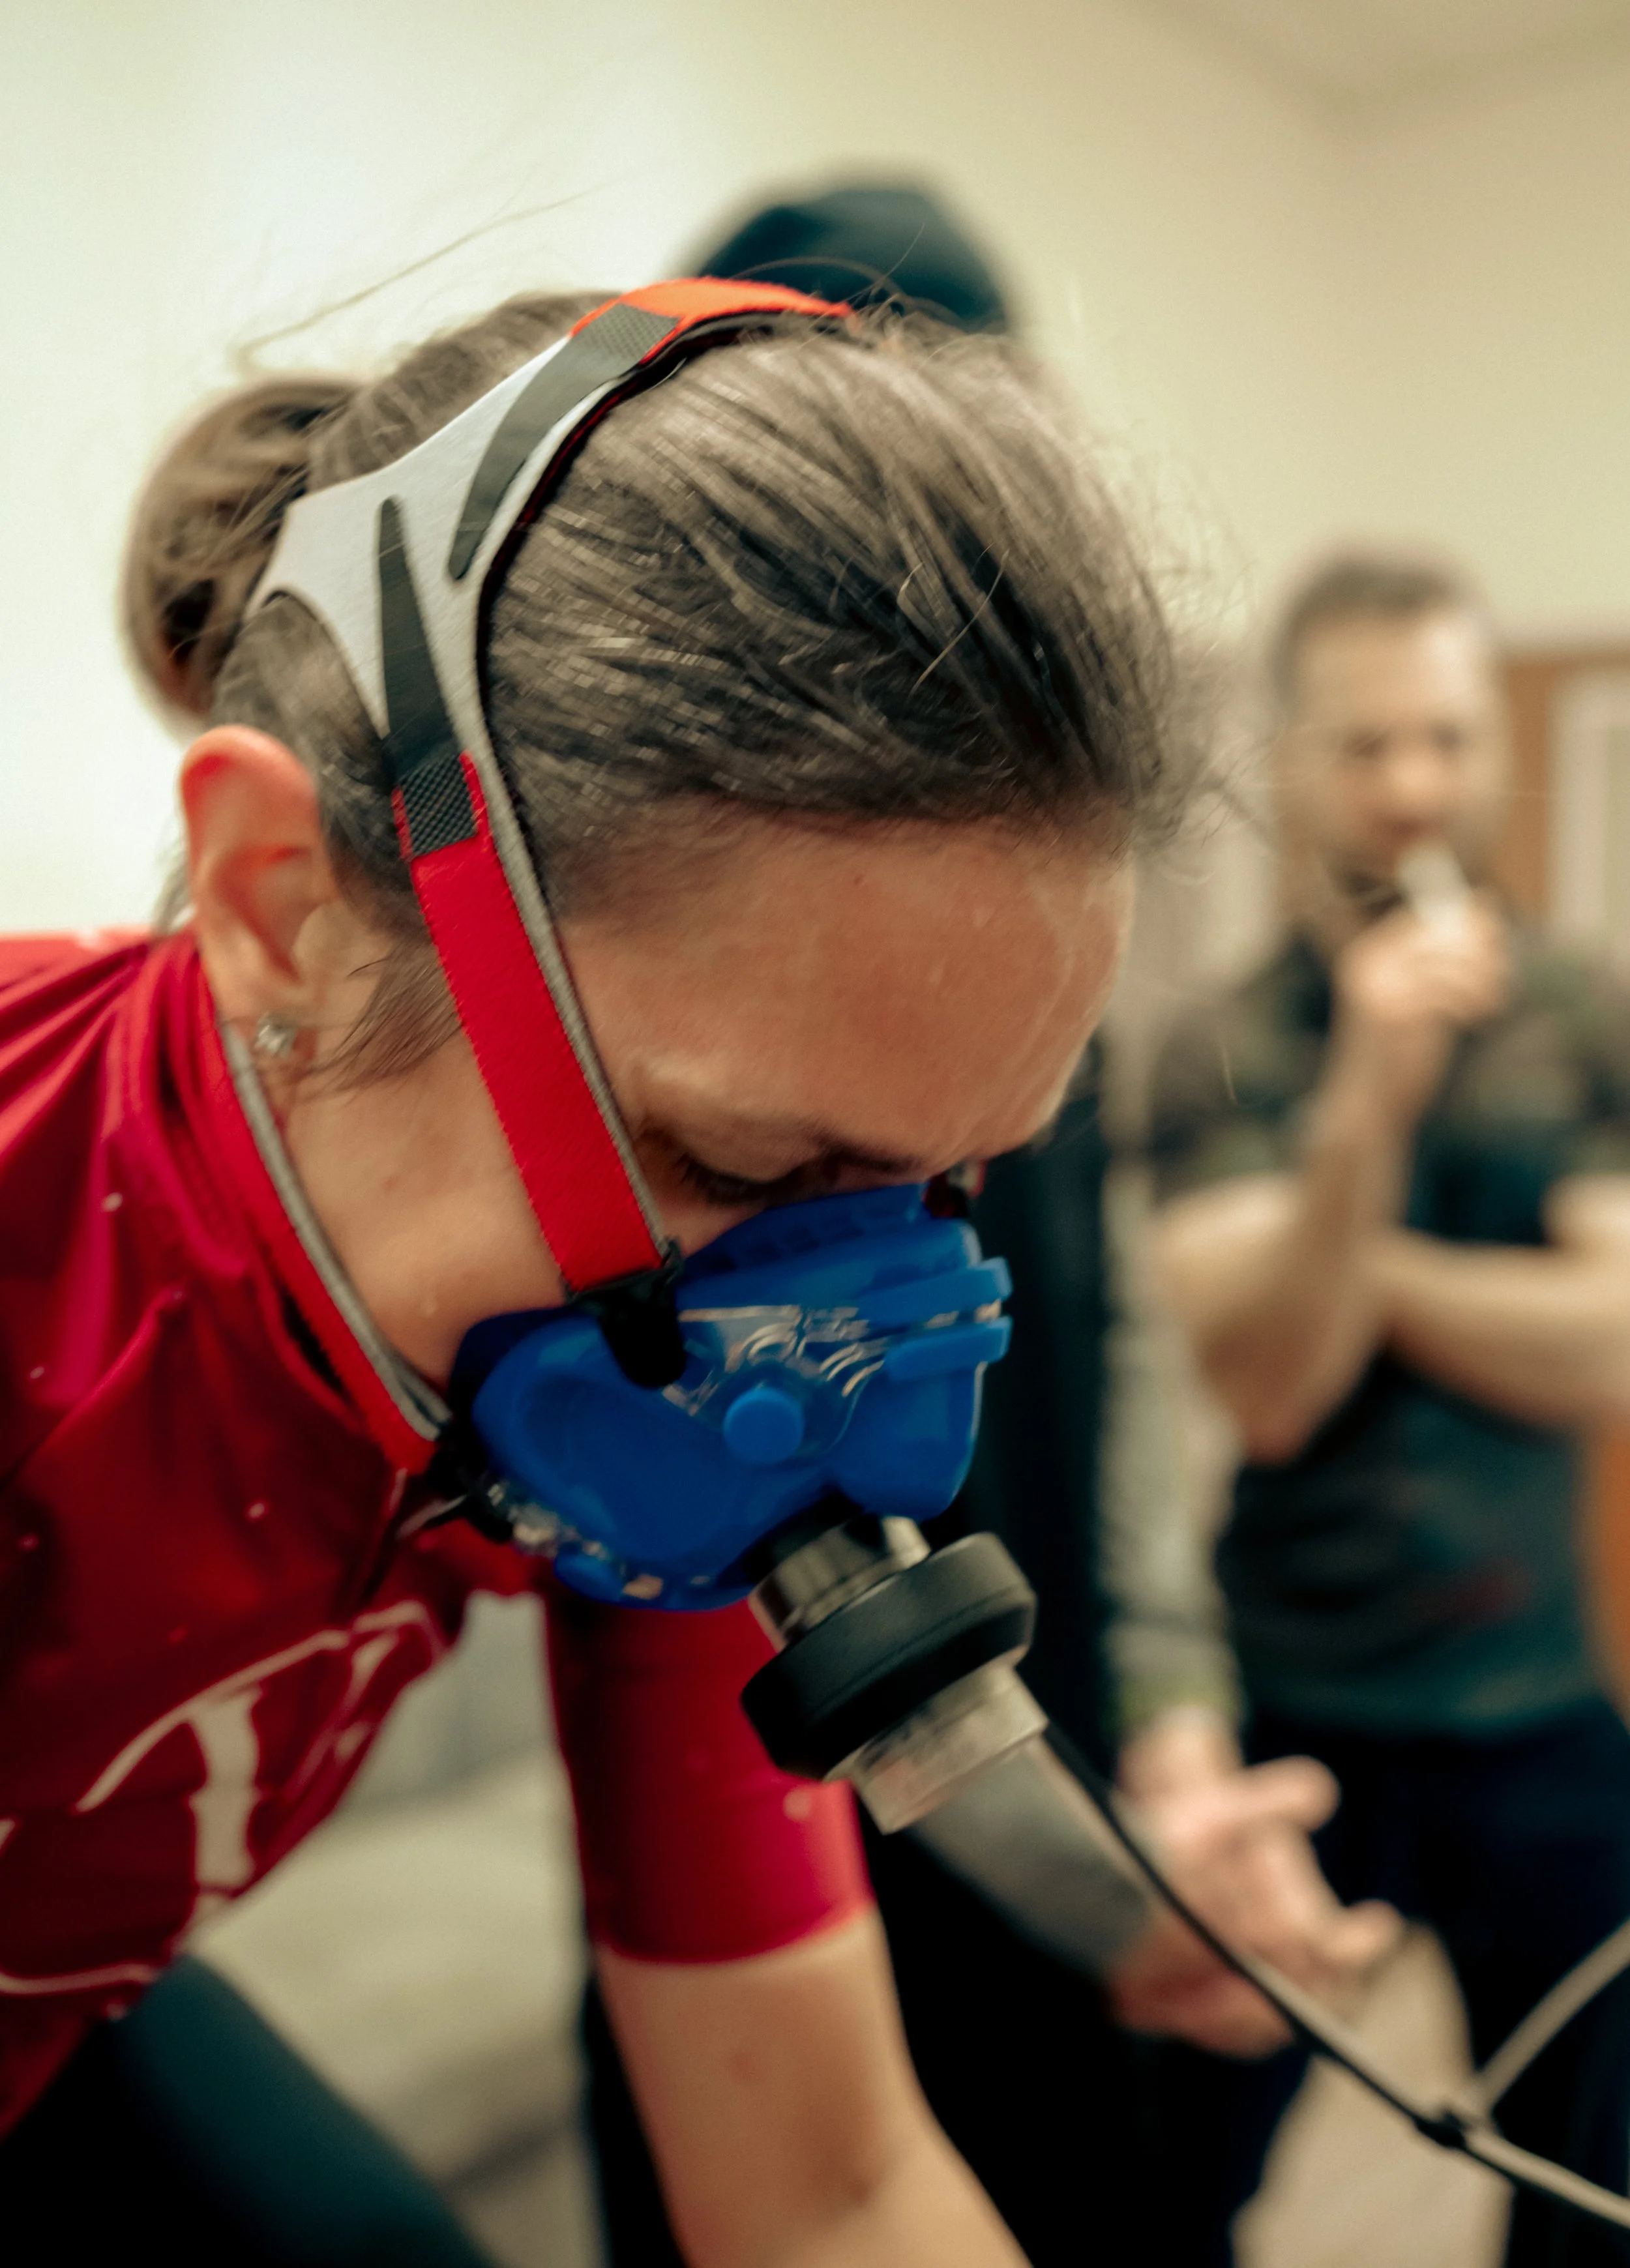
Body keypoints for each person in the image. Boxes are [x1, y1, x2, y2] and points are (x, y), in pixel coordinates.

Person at [0, 266, 1292, 2264]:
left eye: (947, 1180)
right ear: (285, 904)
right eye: (744, 1162)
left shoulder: (658, 1382)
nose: (845, 1324)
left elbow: (828, 2190)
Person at [580, 189, 1397, 2268]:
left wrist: (1178, 1739)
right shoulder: (637, 984)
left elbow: (1111, 1346)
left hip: (1050, 1746)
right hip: (770, 1818)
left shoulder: (1052, 928)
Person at [1149, 553, 1630, 2266]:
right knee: (1175, 2186)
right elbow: (1273, 1393)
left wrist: (1353, 1266)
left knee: (1592, 2196)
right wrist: (1365, 1098)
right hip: (1293, 1705)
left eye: (1446, 736)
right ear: (1287, 762)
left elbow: (1612, 1352)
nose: (1414, 785)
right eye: (1365, 745)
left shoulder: (1575, 1011)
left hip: (1541, 1700)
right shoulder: (1215, 1045)